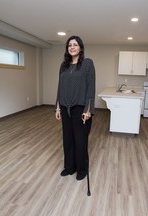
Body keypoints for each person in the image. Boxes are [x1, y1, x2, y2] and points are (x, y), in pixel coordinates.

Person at [55, 35, 95, 181]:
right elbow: (60, 87)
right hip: (65, 107)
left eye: (75, 45)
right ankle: (69, 167)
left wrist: (88, 109)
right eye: (69, 45)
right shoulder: (63, 65)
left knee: (80, 140)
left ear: (80, 47)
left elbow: (91, 87)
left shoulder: (87, 63)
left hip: (80, 108)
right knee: (67, 139)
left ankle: (81, 169)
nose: (72, 47)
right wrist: (58, 107)